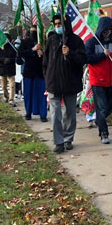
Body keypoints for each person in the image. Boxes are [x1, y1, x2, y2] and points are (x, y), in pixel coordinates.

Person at [43, 15, 86, 153]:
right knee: (55, 113)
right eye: (55, 24)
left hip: (70, 82)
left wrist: (70, 54)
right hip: (53, 83)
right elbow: (46, 61)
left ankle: (68, 138)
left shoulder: (76, 41)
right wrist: (47, 77)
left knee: (70, 113)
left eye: (60, 24)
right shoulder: (51, 40)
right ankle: (59, 142)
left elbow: (82, 59)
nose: (57, 27)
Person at [84, 16, 112, 144]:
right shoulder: (92, 42)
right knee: (101, 107)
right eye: (106, 30)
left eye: (110, 30)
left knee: (111, 105)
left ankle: (99, 120)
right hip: (98, 81)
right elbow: (88, 59)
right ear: (101, 29)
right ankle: (104, 133)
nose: (108, 32)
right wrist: (102, 55)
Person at [18, 26, 48, 122]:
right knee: (28, 94)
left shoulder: (44, 42)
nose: (33, 33)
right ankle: (28, 113)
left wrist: (42, 54)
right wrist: (32, 50)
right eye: (31, 31)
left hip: (40, 72)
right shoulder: (25, 42)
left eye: (35, 32)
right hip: (29, 72)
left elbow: (50, 55)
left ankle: (43, 114)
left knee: (42, 94)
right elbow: (20, 54)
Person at [0, 31, 17, 106]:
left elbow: (16, 57)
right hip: (3, 68)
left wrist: (10, 60)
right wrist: (3, 59)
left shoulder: (12, 48)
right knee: (3, 86)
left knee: (12, 85)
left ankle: (11, 99)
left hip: (11, 68)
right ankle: (6, 96)